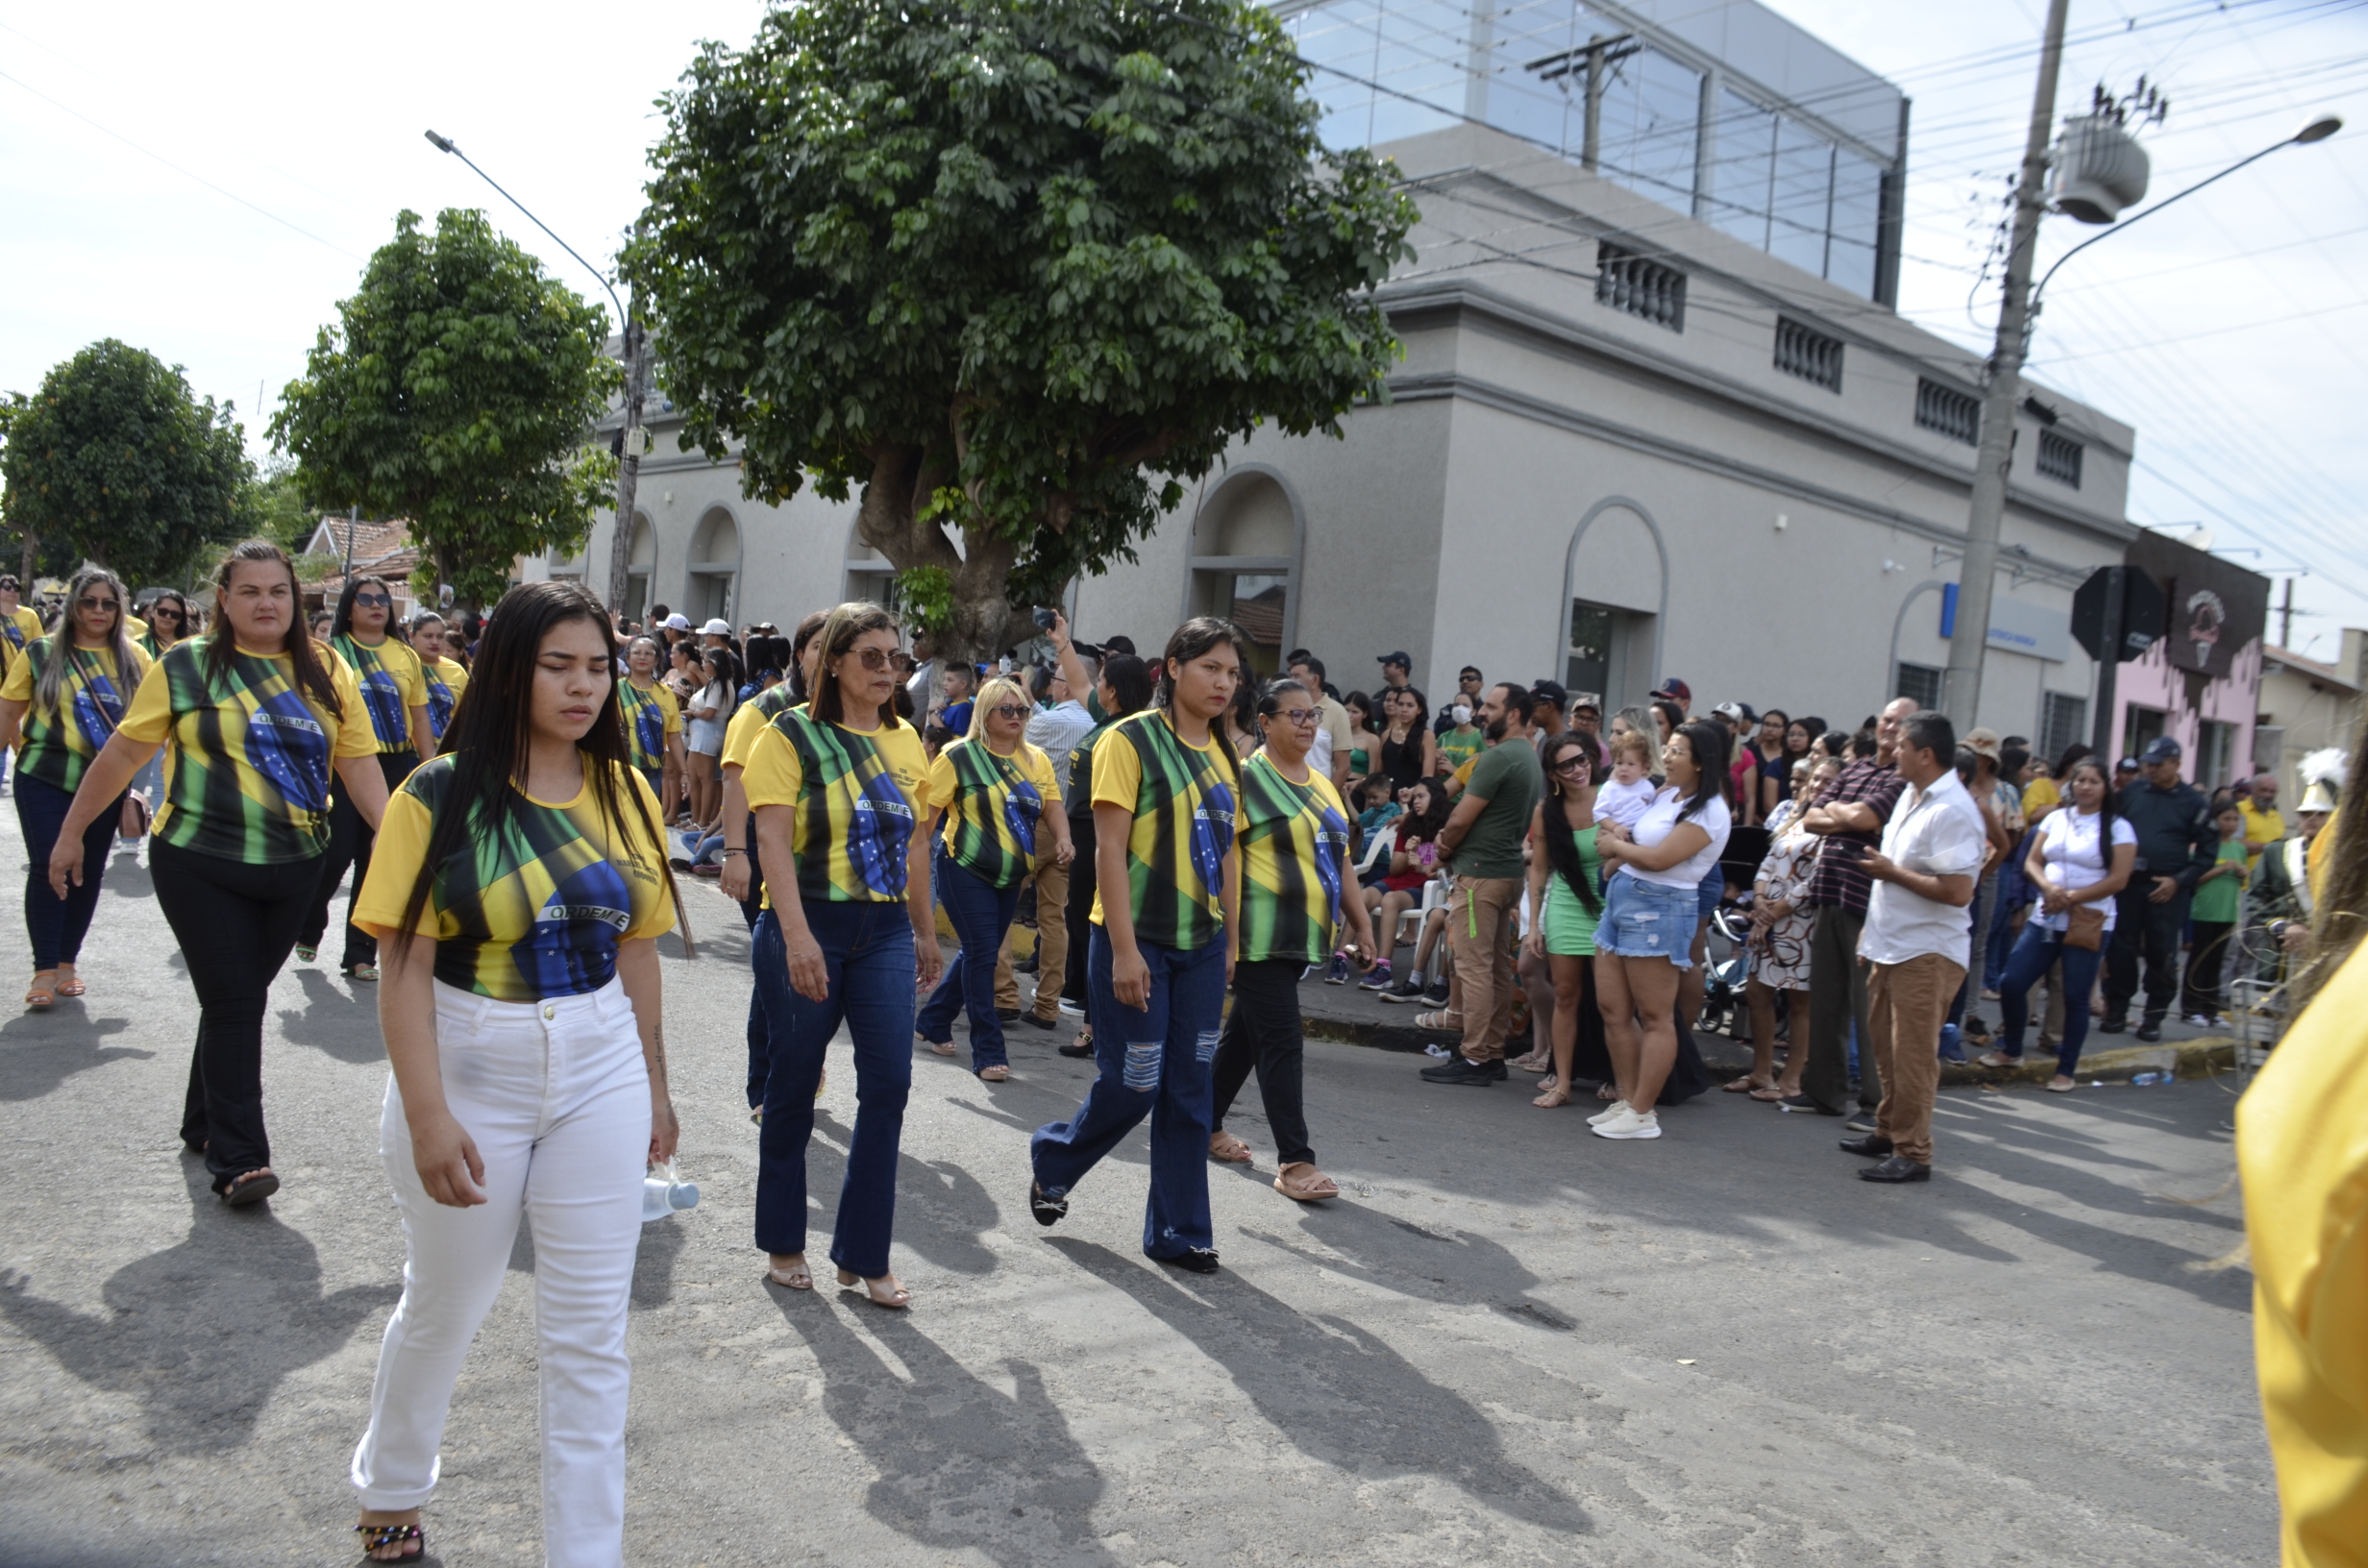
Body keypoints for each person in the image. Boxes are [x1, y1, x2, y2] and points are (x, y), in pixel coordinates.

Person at [346, 580, 678, 1566]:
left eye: (599, 667)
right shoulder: (436, 794)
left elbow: (640, 952)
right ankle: (391, 1485)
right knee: (448, 1300)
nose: (585, 687)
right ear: (509, 671)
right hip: (465, 1058)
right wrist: (426, 1113)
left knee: (590, 1340)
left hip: (599, 1063)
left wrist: (657, 1088)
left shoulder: (627, 793)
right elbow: (401, 963)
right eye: (558, 665)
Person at [51, 540, 387, 1204]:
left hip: (293, 865)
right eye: (251, 592)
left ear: (297, 601)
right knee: (238, 1002)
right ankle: (240, 1160)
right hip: (199, 862)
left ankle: (202, 1120)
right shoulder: (187, 666)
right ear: (224, 602)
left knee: (229, 998)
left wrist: (410, 849)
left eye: (279, 592)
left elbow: (360, 768)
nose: (267, 603)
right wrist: (70, 834)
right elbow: (123, 754)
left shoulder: (326, 669)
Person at [1029, 618, 1245, 1273]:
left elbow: (1227, 852)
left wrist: (1233, 942)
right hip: (1136, 940)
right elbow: (1111, 851)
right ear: (1173, 668)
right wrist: (1123, 951)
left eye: (1233, 673)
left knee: (1190, 1087)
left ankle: (1181, 1230)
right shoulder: (1128, 741)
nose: (1223, 683)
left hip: (1202, 947)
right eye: (1211, 667)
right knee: (1135, 1081)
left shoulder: (1225, 752)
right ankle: (1056, 1158)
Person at [744, 601, 940, 1308]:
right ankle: (784, 1242)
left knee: (888, 1086)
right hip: (808, 923)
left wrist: (924, 929)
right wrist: (795, 937)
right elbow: (772, 844)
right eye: (873, 658)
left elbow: (915, 847)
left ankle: (864, 1255)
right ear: (832, 664)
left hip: (884, 929)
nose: (889, 670)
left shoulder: (909, 742)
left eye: (897, 659)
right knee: (792, 1089)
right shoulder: (789, 735)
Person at [1208, 676, 1375, 1199]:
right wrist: (1230, 941)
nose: (1308, 725)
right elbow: (1223, 864)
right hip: (1257, 934)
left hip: (1302, 937)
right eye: (1296, 716)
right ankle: (1296, 1162)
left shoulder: (1322, 783)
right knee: (1281, 1040)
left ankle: (1199, 1124)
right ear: (1265, 721)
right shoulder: (1244, 781)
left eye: (1314, 716)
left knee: (1244, 1039)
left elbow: (1339, 856)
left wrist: (1363, 922)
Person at [1843, 711, 1985, 1182]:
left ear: (1926, 754)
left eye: (1901, 745)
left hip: (1928, 952)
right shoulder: (1911, 793)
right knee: (1885, 1047)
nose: (1892, 749)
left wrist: (1891, 873)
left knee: (1914, 1056)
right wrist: (1872, 931)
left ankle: (1914, 1152)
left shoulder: (1952, 810)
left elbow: (1957, 890)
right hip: (1891, 943)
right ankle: (1888, 1130)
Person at [0, 567, 151, 1008]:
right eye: (89, 602)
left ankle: (68, 962)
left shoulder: (136, 660)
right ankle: (44, 969)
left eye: (108, 603)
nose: (99, 611)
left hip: (105, 785)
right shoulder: (41, 652)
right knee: (50, 863)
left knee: (87, 873)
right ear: (73, 606)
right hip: (43, 776)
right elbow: (8, 715)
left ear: (119, 608)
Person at [915, 675, 1073, 1078]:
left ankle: (933, 1020)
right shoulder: (957, 756)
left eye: (1022, 709)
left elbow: (1052, 804)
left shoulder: (1035, 759)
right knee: (984, 954)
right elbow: (928, 820)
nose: (1017, 716)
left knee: (977, 951)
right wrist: (912, 870)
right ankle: (988, 1049)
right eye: (1007, 709)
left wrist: (1064, 838)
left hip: (1010, 877)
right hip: (964, 869)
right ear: (985, 713)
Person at [1589, 721, 1733, 1138]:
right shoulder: (1667, 794)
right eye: (1667, 749)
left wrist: (1615, 848)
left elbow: (1660, 859)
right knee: (1614, 1009)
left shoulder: (1710, 810)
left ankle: (1642, 1112)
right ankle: (1627, 1100)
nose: (1666, 757)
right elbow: (1630, 831)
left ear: (1702, 763)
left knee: (1654, 1016)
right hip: (1623, 898)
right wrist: (1615, 841)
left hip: (1661, 907)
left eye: (1677, 751)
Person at [1783, 697, 1914, 1119]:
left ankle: (1877, 1102)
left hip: (1866, 902)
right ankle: (1824, 1092)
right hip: (1828, 893)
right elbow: (1811, 817)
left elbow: (1863, 818)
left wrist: (1840, 816)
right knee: (1826, 1000)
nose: (1890, 728)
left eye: (1900, 723)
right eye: (1887, 720)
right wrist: (1848, 817)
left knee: (1866, 1005)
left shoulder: (1902, 779)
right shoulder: (1856, 768)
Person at [297, 576, 430, 981]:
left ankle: (360, 955)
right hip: (341, 764)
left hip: (393, 766)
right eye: (366, 598)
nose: (376, 606)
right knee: (334, 855)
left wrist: (430, 766)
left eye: (383, 600)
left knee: (375, 860)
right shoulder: (328, 652)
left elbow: (419, 716)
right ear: (348, 608)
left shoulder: (406, 656)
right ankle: (308, 927)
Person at [1980, 757, 2135, 1090]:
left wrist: (2072, 897)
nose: (2085, 786)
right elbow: (2032, 861)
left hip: (2089, 920)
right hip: (2046, 915)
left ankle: (2066, 1069)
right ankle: (2012, 1048)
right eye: (2080, 780)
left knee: (2075, 997)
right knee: (2012, 982)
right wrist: (2049, 889)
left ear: (2105, 787)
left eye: (2094, 781)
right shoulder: (2056, 818)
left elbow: (2119, 880)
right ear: (2071, 785)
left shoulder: (2119, 827)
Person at [1419, 684, 1542, 1086]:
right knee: (1496, 971)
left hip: (1480, 874)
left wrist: (1442, 846)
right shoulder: (1527, 756)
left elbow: (1459, 819)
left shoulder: (1501, 756)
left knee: (1473, 968)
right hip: (1505, 874)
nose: (1481, 712)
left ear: (1515, 714)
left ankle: (1474, 1056)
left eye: (1491, 706)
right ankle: (1490, 1053)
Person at [996, 618, 1098, 1029]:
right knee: (1054, 918)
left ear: (1069, 684)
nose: (1053, 684)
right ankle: (1049, 1004)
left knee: (1001, 906)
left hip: (1036, 822)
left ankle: (1003, 994)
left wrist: (1017, 695)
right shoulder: (1094, 724)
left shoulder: (1050, 721)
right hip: (1070, 830)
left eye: (1057, 678)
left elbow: (1017, 728)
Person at [1052, 649, 1155, 1051]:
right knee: (1081, 928)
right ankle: (1097, 1024)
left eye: (1101, 681)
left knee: (1094, 931)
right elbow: (1078, 682)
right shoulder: (1108, 719)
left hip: (1100, 835)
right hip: (1081, 831)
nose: (1094, 687)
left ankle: (1095, 1029)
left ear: (1112, 690)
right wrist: (1062, 641)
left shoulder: (1130, 731)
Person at [2103, 736, 2216, 1041]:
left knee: (2161, 952)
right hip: (2128, 883)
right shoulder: (2134, 791)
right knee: (2121, 949)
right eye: (2148, 764)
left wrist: (2178, 880)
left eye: (2158, 765)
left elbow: (2207, 853)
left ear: (2176, 764)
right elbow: (2113, 828)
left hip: (2165, 888)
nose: (2150, 770)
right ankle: (2116, 1010)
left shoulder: (2194, 803)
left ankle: (2153, 1018)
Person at [1737, 756, 1831, 1101]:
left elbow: (1814, 881)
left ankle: (1790, 1080)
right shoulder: (1796, 816)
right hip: (1768, 919)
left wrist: (1774, 912)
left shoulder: (1834, 824)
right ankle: (1761, 1072)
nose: (1818, 785)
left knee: (1798, 1004)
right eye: (1816, 778)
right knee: (1757, 993)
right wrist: (1760, 902)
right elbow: (1769, 862)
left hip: (1800, 923)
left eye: (1827, 780)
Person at [1522, 731, 1605, 1110]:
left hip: (1611, 907)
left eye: (1582, 760)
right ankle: (1563, 1082)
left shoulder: (1610, 798)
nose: (1577, 769)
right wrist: (1534, 926)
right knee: (1567, 996)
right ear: (1553, 774)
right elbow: (1539, 869)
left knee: (1612, 1003)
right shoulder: (1546, 811)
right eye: (1566, 765)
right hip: (1566, 906)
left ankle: (1616, 1076)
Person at [2184, 799, 2250, 1023]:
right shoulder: (2205, 845)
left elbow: (2243, 883)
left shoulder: (2239, 848)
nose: (2231, 824)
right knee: (2199, 960)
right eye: (2226, 819)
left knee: (2217, 961)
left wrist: (2242, 873)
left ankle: (2210, 1010)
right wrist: (2220, 869)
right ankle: (2190, 1009)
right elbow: (2194, 879)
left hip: (2228, 912)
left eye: (2235, 819)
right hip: (2205, 910)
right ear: (2215, 820)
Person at [618, 635, 686, 806]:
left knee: (645, 821)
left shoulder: (666, 694)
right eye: (637, 653)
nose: (642, 657)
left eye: (648, 654)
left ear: (656, 659)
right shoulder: (616, 689)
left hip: (652, 772)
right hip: (620, 767)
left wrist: (685, 772)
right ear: (627, 658)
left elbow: (674, 735)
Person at [682, 646, 741, 829]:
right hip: (702, 733)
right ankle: (696, 817)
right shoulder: (718, 682)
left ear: (714, 663)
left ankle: (702, 821)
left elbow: (709, 712)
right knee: (695, 778)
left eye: (706, 661)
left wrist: (692, 713)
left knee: (705, 779)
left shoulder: (719, 684)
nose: (703, 664)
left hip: (708, 732)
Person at [1285, 654, 1353, 792]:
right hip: (1286, 792)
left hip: (1318, 793)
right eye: (1290, 676)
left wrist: (1327, 801)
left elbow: (1343, 767)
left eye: (1297, 676)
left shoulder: (1337, 711)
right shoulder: (1286, 708)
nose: (1291, 681)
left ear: (1315, 680)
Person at [406, 612, 470, 749]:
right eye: (428, 636)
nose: (435, 642)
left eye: (440, 637)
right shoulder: (402, 667)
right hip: (407, 751)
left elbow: (466, 715)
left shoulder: (457, 671)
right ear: (412, 637)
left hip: (444, 749)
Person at [1376, 685, 1437, 799]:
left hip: (1410, 798)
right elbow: (1379, 772)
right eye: (1400, 704)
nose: (1404, 709)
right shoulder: (1386, 734)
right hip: (1385, 800)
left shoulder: (1426, 736)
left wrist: (1412, 792)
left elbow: (1427, 777)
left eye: (1410, 705)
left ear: (1419, 709)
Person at [2236, 770, 2285, 874]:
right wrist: (2270, 847)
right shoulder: (2239, 810)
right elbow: (2235, 844)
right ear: (2253, 789)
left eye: (2272, 791)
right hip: (2244, 881)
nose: (2268, 795)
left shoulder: (2277, 817)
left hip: (2270, 883)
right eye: (2263, 790)